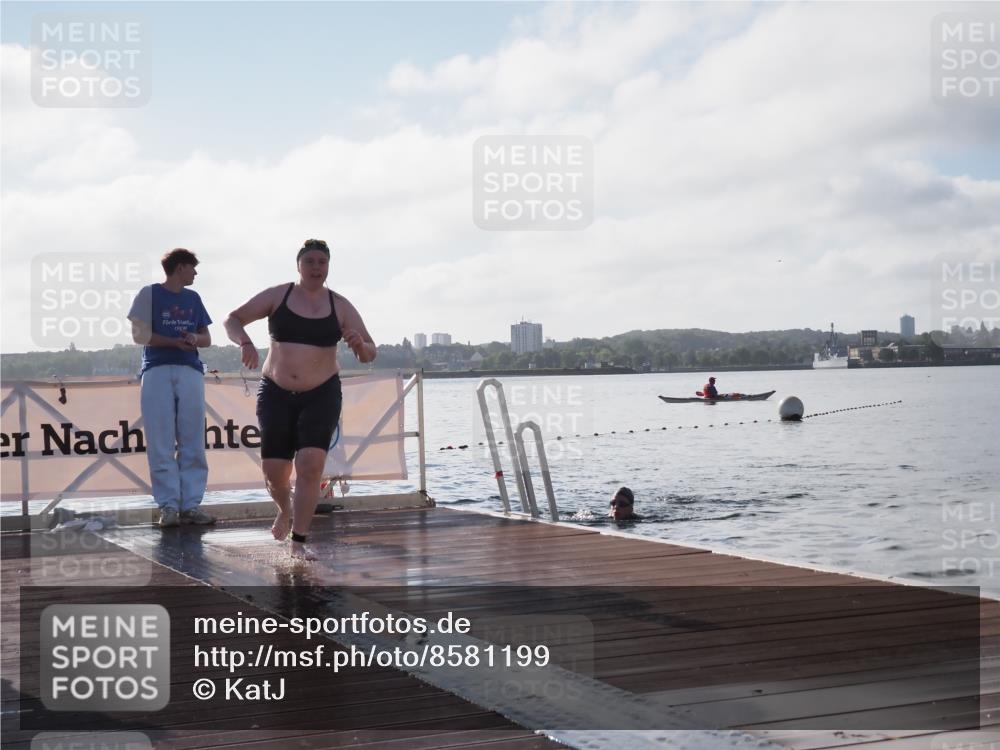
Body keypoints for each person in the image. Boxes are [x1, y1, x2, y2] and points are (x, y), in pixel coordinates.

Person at [224, 239, 376, 560]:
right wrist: (245, 342)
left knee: (310, 465)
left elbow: (369, 353)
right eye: (310, 262)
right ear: (299, 266)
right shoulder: (278, 295)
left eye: (322, 262)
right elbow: (232, 319)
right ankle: (284, 508)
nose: (316, 268)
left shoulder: (340, 306)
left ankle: (299, 541)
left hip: (321, 393)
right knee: (274, 472)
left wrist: (359, 344)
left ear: (328, 267)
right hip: (276, 391)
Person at [128, 248, 215, 528]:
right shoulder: (149, 294)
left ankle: (190, 505)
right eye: (192, 268)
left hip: (189, 369)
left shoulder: (193, 298)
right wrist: (172, 342)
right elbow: (139, 335)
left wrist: (193, 337)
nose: (195, 273)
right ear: (180, 268)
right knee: (160, 439)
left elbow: (207, 338)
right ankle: (168, 506)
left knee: (192, 438)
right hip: (156, 369)